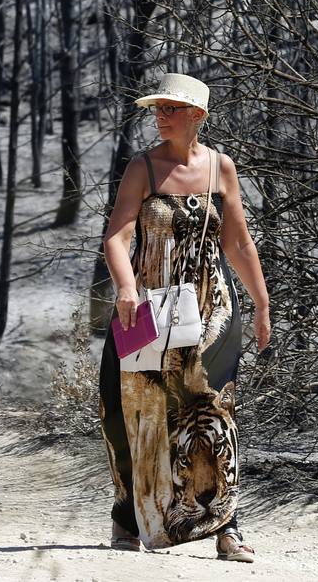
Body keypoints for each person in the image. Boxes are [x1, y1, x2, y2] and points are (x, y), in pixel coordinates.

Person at [99, 72, 272, 562]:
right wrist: (126, 286)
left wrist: (260, 303)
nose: (160, 116)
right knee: (128, 407)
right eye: (157, 108)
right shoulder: (142, 168)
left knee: (216, 414)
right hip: (147, 309)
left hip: (211, 311)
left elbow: (238, 242)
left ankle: (226, 527)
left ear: (198, 115)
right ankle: (128, 519)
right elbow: (117, 236)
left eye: (171, 108)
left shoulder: (222, 168)